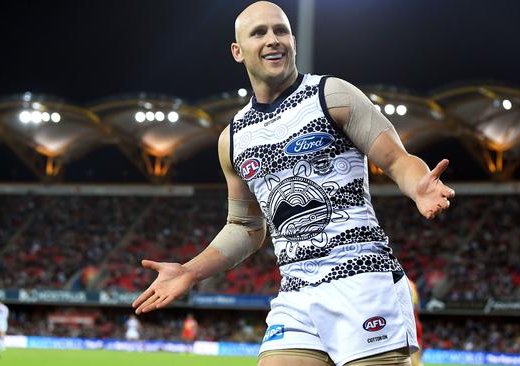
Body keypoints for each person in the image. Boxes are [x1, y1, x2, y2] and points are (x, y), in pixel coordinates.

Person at [132, 2, 455, 365]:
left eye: (280, 30)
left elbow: (397, 159)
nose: (273, 40)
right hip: (297, 294)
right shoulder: (234, 139)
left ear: (294, 41)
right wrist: (190, 271)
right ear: (237, 52)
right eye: (259, 33)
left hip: (363, 283)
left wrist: (418, 186)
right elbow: (245, 227)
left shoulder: (333, 96)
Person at [408, 278, 423, 366]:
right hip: (415, 323)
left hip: (410, 324)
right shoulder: (411, 284)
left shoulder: (403, 282)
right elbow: (417, 307)